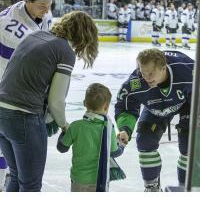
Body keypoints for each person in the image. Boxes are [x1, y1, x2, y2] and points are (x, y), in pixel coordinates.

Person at [0, 11, 98, 192]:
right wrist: (64, 125)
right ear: (84, 35)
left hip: (1, 112)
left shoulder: (35, 35)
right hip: (24, 116)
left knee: (15, 176)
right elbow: (56, 101)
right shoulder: (64, 51)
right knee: (30, 185)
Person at [115, 48, 194, 191]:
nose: (147, 77)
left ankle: (185, 187)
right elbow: (125, 107)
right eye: (143, 72)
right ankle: (152, 187)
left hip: (188, 103)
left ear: (163, 68)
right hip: (156, 105)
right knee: (145, 141)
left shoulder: (189, 72)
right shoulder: (135, 82)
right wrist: (125, 129)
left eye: (151, 73)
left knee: (190, 144)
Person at [0, 0, 52, 191]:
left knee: (12, 167)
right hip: (10, 99)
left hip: (14, 97)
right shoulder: (7, 26)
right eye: (42, 4)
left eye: (50, 2)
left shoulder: (43, 14)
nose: (47, 8)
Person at [57, 83, 126, 192]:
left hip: (78, 180)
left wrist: (64, 131)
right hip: (99, 181)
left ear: (84, 103)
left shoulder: (76, 126)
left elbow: (62, 148)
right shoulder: (108, 127)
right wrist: (122, 145)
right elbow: (114, 152)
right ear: (106, 106)